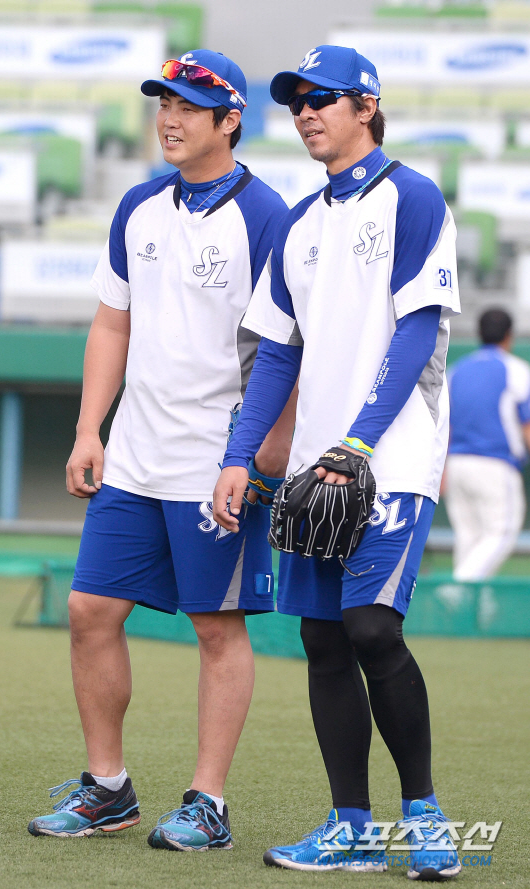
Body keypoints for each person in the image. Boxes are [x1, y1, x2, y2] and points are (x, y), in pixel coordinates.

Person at [28, 49, 292, 850]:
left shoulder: (267, 216)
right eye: (162, 104)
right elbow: (113, 323)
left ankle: (207, 802)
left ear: (230, 119)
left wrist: (259, 454)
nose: (169, 120)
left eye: (186, 106)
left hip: (218, 460)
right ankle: (108, 788)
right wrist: (89, 429)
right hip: (134, 457)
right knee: (89, 610)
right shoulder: (138, 206)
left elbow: (286, 349)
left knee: (215, 626)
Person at [214, 44, 463, 880]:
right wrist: (241, 456)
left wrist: (356, 442)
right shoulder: (298, 224)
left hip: (391, 456)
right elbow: (276, 357)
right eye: (296, 101)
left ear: (367, 107)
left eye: (323, 97)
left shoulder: (413, 197)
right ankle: (352, 825)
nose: (306, 112)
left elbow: (418, 328)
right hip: (311, 468)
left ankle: (423, 814)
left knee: (371, 628)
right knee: (322, 638)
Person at [445, 308, 530, 580]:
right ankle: (456, 590)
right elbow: (527, 426)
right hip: (495, 464)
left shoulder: (456, 371)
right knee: (501, 533)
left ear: (479, 333)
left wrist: (442, 470)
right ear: (509, 335)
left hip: (456, 464)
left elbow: (445, 426)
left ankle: (469, 606)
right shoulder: (516, 370)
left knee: (468, 538)